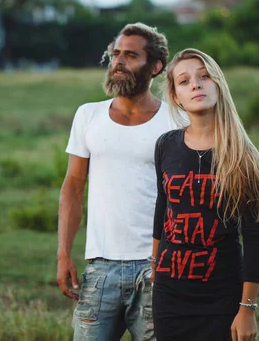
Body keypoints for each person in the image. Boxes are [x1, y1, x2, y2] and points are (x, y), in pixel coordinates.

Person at [57, 23, 178, 340]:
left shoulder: (177, 121)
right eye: (116, 54)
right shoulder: (88, 115)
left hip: (159, 267)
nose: (119, 61)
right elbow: (73, 186)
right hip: (100, 269)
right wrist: (63, 254)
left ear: (155, 67)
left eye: (131, 55)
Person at [150, 48, 259, 341]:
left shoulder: (242, 155)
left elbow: (253, 236)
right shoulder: (166, 145)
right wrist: (155, 267)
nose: (195, 84)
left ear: (218, 84)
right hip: (169, 294)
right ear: (176, 96)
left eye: (204, 76)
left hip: (222, 296)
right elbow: (162, 207)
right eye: (184, 80)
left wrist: (247, 308)